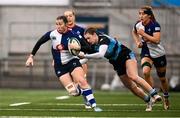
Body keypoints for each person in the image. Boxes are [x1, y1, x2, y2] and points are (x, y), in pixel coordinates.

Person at [70, 27, 162, 111]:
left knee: (133, 76)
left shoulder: (103, 39)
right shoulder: (93, 45)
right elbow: (87, 58)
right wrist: (74, 64)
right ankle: (148, 101)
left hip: (125, 55)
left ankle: (154, 94)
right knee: (131, 86)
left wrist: (85, 55)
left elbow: (101, 55)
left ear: (94, 34)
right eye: (86, 39)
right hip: (116, 63)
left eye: (88, 38)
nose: (87, 40)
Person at [25, 16, 102, 112]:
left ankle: (94, 105)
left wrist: (78, 47)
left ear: (66, 24)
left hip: (72, 62)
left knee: (82, 81)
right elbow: (39, 42)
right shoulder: (52, 34)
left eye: (60, 24)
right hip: (59, 66)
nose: (58, 26)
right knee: (73, 92)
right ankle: (84, 92)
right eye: (56, 24)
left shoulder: (73, 34)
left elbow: (88, 48)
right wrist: (31, 56)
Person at [132, 6, 170, 110]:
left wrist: (143, 34)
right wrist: (137, 42)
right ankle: (153, 94)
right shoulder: (138, 24)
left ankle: (166, 97)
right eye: (139, 14)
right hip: (146, 52)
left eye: (143, 14)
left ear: (149, 15)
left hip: (158, 53)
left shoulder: (155, 25)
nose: (141, 16)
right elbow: (134, 32)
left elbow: (157, 40)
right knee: (145, 72)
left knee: (162, 78)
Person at [64, 10, 91, 109]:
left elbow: (87, 45)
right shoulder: (62, 31)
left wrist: (82, 53)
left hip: (80, 58)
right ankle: (78, 90)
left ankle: (87, 100)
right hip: (67, 59)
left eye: (70, 15)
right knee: (75, 85)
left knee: (82, 79)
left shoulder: (81, 30)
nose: (68, 18)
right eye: (66, 16)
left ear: (74, 17)